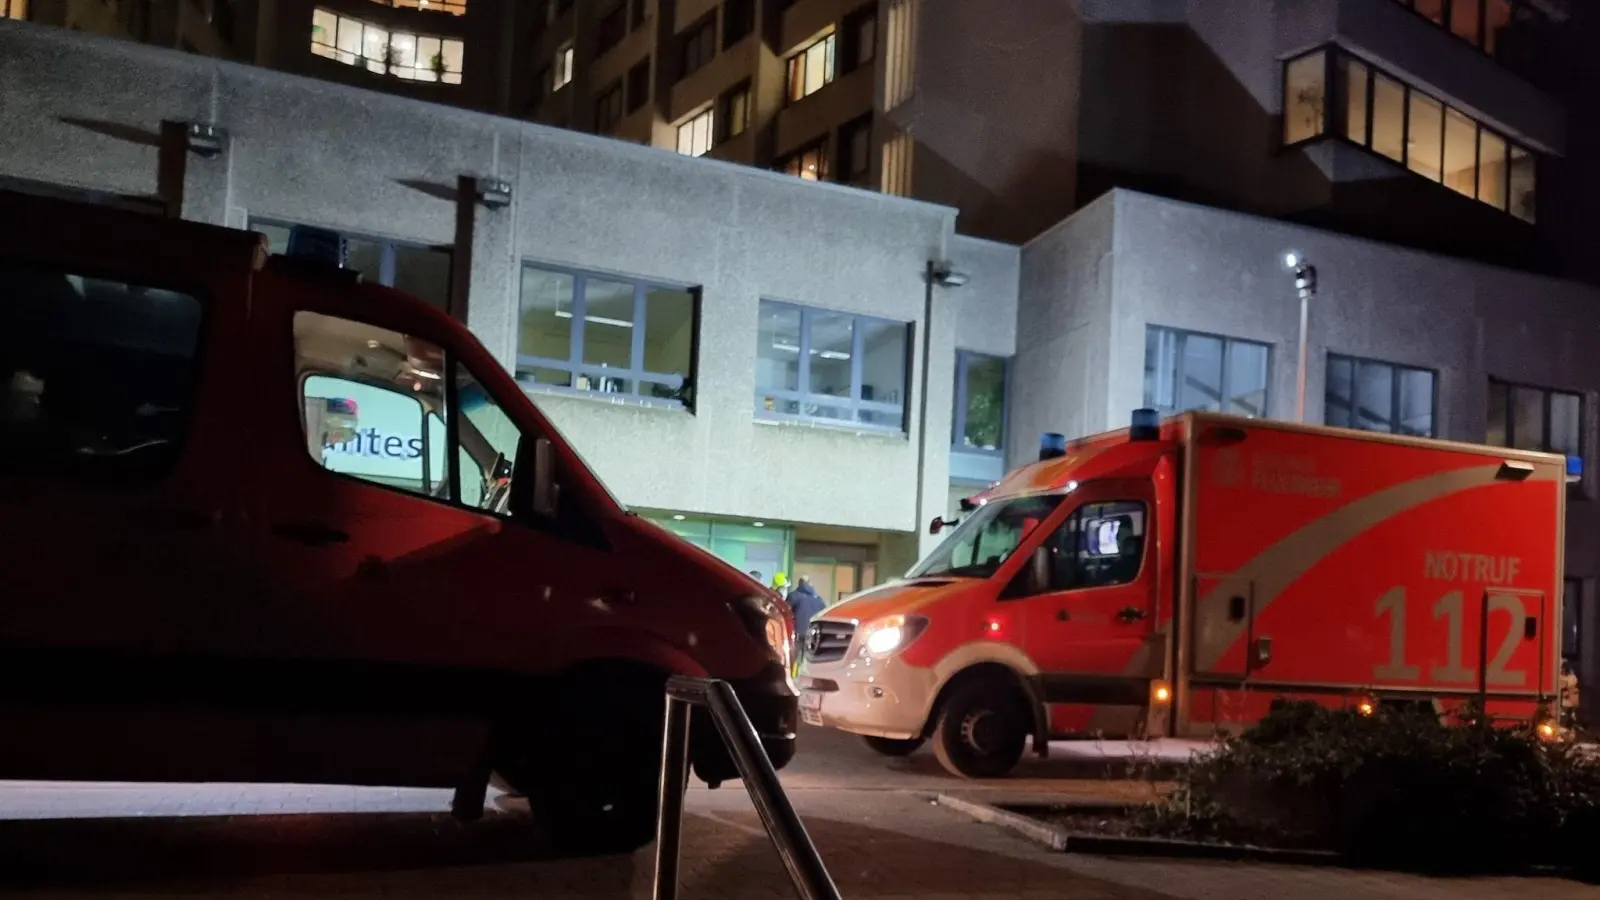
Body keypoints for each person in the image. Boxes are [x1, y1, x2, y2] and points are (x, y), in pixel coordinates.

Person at [787, 576, 825, 660]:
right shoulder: (818, 599)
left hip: (797, 633)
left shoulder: (793, 596)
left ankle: (794, 672)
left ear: (799, 584)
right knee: (808, 659)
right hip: (813, 634)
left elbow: (785, 612)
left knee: (794, 658)